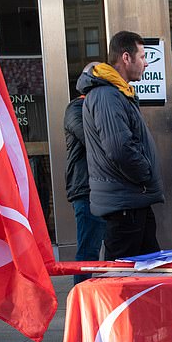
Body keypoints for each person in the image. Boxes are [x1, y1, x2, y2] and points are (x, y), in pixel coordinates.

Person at [78, 31, 164, 260]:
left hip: (132, 201)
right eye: (143, 57)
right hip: (125, 204)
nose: (146, 63)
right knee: (122, 281)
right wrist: (145, 174)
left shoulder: (118, 93)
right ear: (126, 58)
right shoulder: (107, 95)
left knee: (147, 275)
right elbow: (119, 148)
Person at [64, 62, 105, 284]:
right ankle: (81, 301)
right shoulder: (75, 108)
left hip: (103, 188)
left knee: (108, 253)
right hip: (86, 189)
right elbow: (93, 139)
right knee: (88, 252)